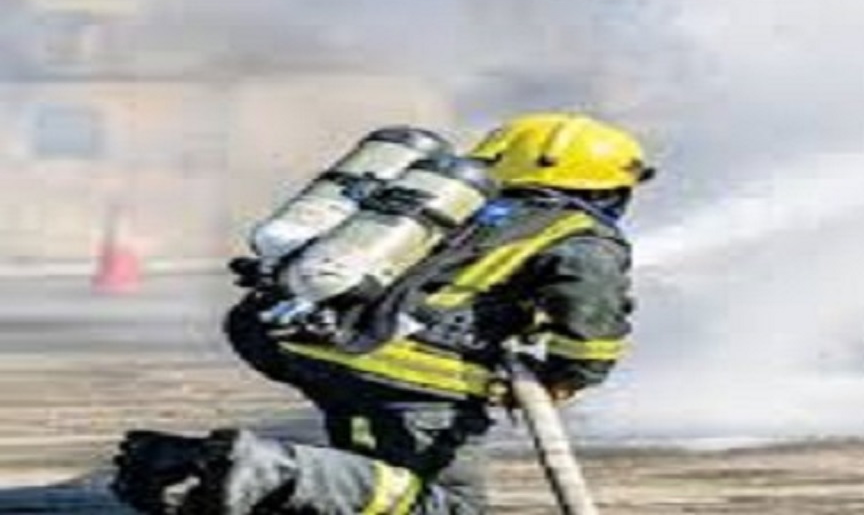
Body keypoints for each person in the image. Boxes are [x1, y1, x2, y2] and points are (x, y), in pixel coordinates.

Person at [111, 112, 654, 515]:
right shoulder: (582, 235)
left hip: (292, 335)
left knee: (378, 479)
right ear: (608, 190)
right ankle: (268, 469)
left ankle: (179, 464)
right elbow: (591, 321)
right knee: (449, 507)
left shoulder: (453, 204)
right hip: (406, 370)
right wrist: (568, 375)